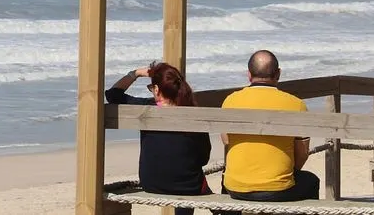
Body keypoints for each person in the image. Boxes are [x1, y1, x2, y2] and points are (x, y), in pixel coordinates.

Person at [105, 61, 212, 215]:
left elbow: (112, 94)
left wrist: (135, 74)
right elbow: (203, 158)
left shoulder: (145, 107)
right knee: (191, 179)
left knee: (186, 179)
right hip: (188, 186)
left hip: (151, 183)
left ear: (156, 89)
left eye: (151, 88)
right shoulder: (193, 113)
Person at [219, 50, 320, 202]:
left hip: (234, 187)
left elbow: (226, 140)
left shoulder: (230, 101)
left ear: (249, 74)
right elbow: (302, 153)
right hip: (278, 188)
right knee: (311, 181)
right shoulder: (296, 104)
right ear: (278, 74)